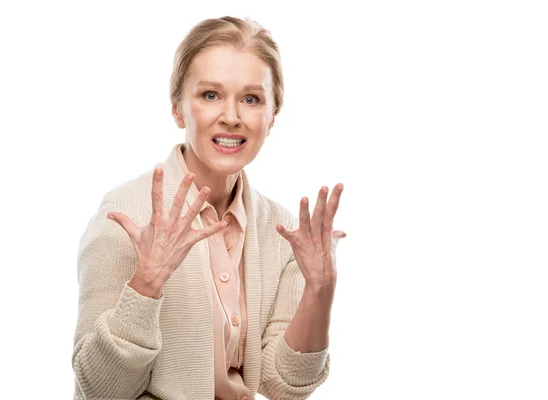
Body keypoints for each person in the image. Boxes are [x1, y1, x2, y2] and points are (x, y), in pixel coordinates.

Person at [72, 15, 346, 400]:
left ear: (272, 118)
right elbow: (100, 391)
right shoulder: (124, 217)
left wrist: (320, 291)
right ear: (178, 109)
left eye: (251, 99)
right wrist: (146, 285)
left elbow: (284, 384)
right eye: (210, 95)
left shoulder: (282, 230)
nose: (231, 117)